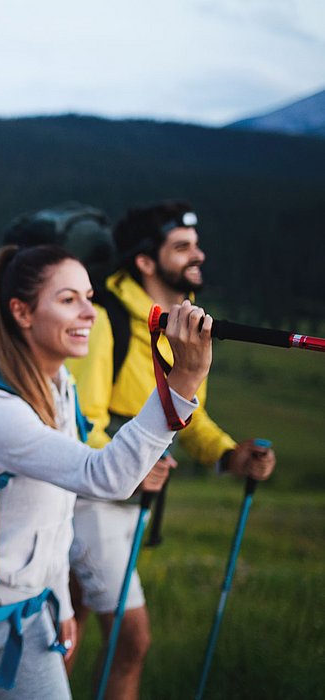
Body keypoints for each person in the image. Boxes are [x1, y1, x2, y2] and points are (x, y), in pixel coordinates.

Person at [0, 244, 215, 699]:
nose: (90, 313)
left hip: (31, 613)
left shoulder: (61, 387)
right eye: (68, 300)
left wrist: (56, 597)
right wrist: (182, 384)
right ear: (21, 311)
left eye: (89, 296)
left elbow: (57, 510)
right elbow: (106, 478)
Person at [64, 201, 276, 699]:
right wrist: (131, 463)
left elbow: (189, 411)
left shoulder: (182, 323)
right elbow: (81, 420)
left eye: (195, 245)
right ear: (144, 261)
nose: (197, 255)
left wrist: (228, 455)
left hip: (127, 499)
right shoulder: (106, 320)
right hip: (91, 499)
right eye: (181, 247)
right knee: (131, 640)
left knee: (67, 625)